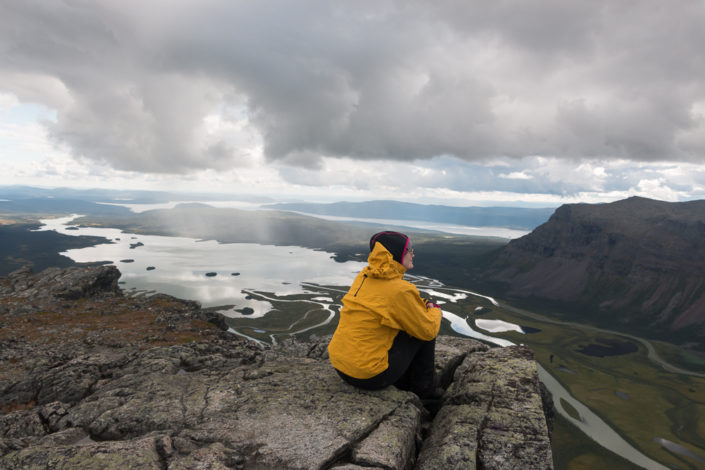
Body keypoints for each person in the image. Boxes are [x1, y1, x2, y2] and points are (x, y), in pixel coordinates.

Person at [328, 231, 442, 398]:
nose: (413, 253)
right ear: (395, 254)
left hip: (341, 367)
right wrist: (435, 310)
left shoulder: (364, 276)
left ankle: (402, 380)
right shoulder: (401, 290)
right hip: (370, 377)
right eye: (409, 249)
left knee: (407, 325)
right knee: (423, 331)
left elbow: (385, 301)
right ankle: (425, 395)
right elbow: (428, 329)